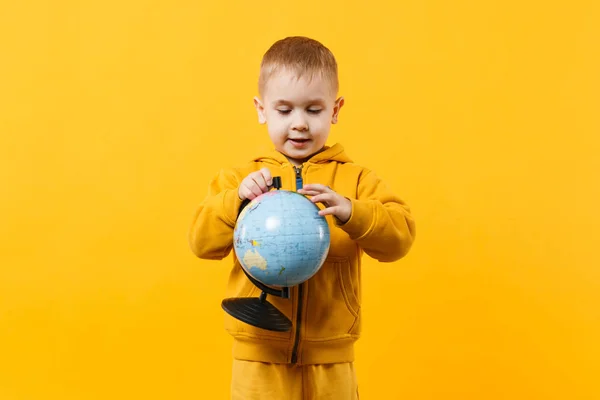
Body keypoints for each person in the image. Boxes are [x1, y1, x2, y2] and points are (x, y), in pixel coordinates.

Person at [188, 36, 416, 400]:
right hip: (258, 357)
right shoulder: (238, 180)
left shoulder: (355, 181)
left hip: (331, 359)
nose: (299, 124)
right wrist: (236, 201)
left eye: (313, 110)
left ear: (335, 110)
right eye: (284, 110)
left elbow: (400, 237)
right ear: (261, 110)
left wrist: (351, 211)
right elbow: (200, 242)